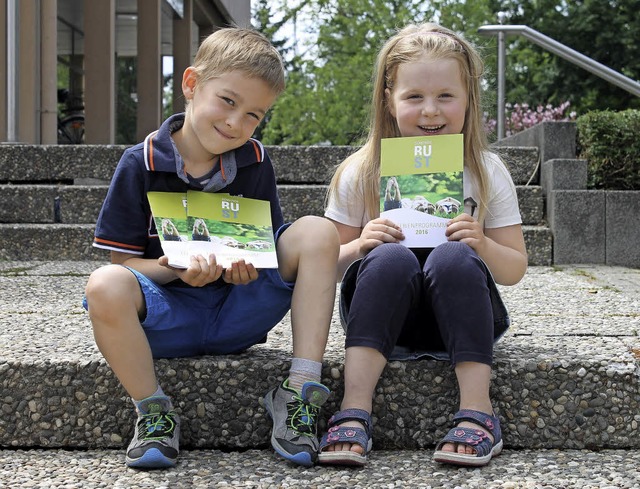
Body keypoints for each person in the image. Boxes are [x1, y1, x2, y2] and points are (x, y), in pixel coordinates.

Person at [83, 27, 339, 470]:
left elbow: (268, 250)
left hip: (238, 314)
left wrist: (251, 268)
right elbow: (123, 263)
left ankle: (298, 392)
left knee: (317, 231)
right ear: (191, 84)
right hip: (169, 318)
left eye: (254, 115)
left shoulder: (255, 160)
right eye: (228, 101)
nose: (236, 123)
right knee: (104, 284)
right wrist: (173, 268)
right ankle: (154, 413)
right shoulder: (138, 163)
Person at [319, 22, 527, 468]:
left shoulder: (486, 170)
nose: (431, 111)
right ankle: (355, 406)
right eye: (414, 97)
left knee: (454, 254)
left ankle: (478, 410)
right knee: (389, 255)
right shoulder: (361, 171)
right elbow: (324, 265)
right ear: (388, 102)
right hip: (383, 322)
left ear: (469, 100)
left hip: (462, 319)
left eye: (446, 96)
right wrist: (359, 246)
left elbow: (513, 270)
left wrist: (482, 245)